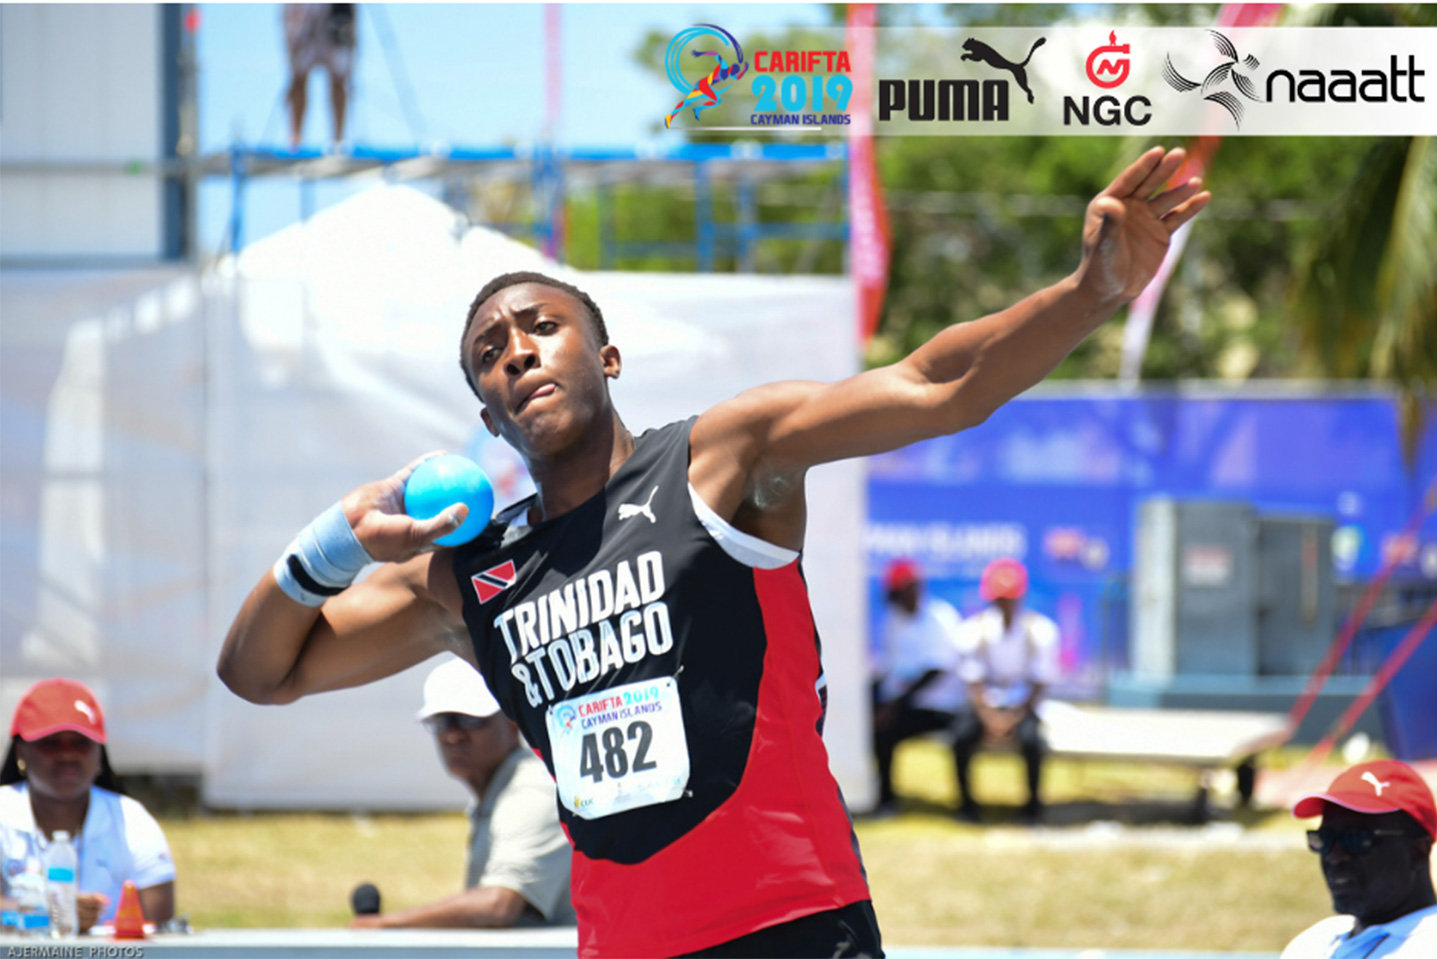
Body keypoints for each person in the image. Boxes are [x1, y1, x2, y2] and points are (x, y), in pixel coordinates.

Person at [217, 146, 1209, 957]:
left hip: (793, 927)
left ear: (606, 357)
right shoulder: (472, 575)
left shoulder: (723, 459)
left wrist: (1089, 293)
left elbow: (934, 383)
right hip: (623, 946)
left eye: (542, 327)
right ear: (489, 413)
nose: (517, 350)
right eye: (490, 352)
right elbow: (262, 671)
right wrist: (336, 540)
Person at [351, 656, 574, 928]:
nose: (452, 736)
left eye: (469, 720)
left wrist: (386, 924)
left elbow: (498, 905)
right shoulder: (499, 787)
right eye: (441, 721)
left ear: (512, 722)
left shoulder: (532, 791)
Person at [0, 678, 176, 932]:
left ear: (99, 753)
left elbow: (161, 932)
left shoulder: (133, 821)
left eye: (81, 742)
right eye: (50, 742)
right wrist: (51, 913)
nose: (67, 753)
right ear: (21, 752)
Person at [1281, 759, 1437, 958]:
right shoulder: (1314, 941)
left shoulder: (1430, 945)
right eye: (1324, 838)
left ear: (1418, 851)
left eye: (1356, 838)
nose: (1335, 856)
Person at [950, 557, 1059, 824]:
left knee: (1032, 741)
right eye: (1000, 598)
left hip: (1023, 705)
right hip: (986, 704)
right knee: (960, 736)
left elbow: (1040, 681)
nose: (1005, 604)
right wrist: (989, 717)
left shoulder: (1040, 630)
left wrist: (1013, 717)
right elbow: (973, 679)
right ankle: (966, 807)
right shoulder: (973, 630)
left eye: (1010, 598)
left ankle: (1032, 809)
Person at [870, 559, 967, 817]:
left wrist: (893, 705)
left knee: (885, 729)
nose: (896, 600)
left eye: (900, 592)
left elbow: (936, 671)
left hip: (939, 706)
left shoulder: (941, 618)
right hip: (904, 702)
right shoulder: (894, 619)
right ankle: (874, 794)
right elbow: (890, 668)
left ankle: (886, 801)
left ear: (915, 588)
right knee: (866, 720)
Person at [283, 4, 356, 150]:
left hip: (336, 9)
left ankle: (339, 140)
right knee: (298, 75)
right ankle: (295, 139)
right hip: (303, 8)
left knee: (339, 75)